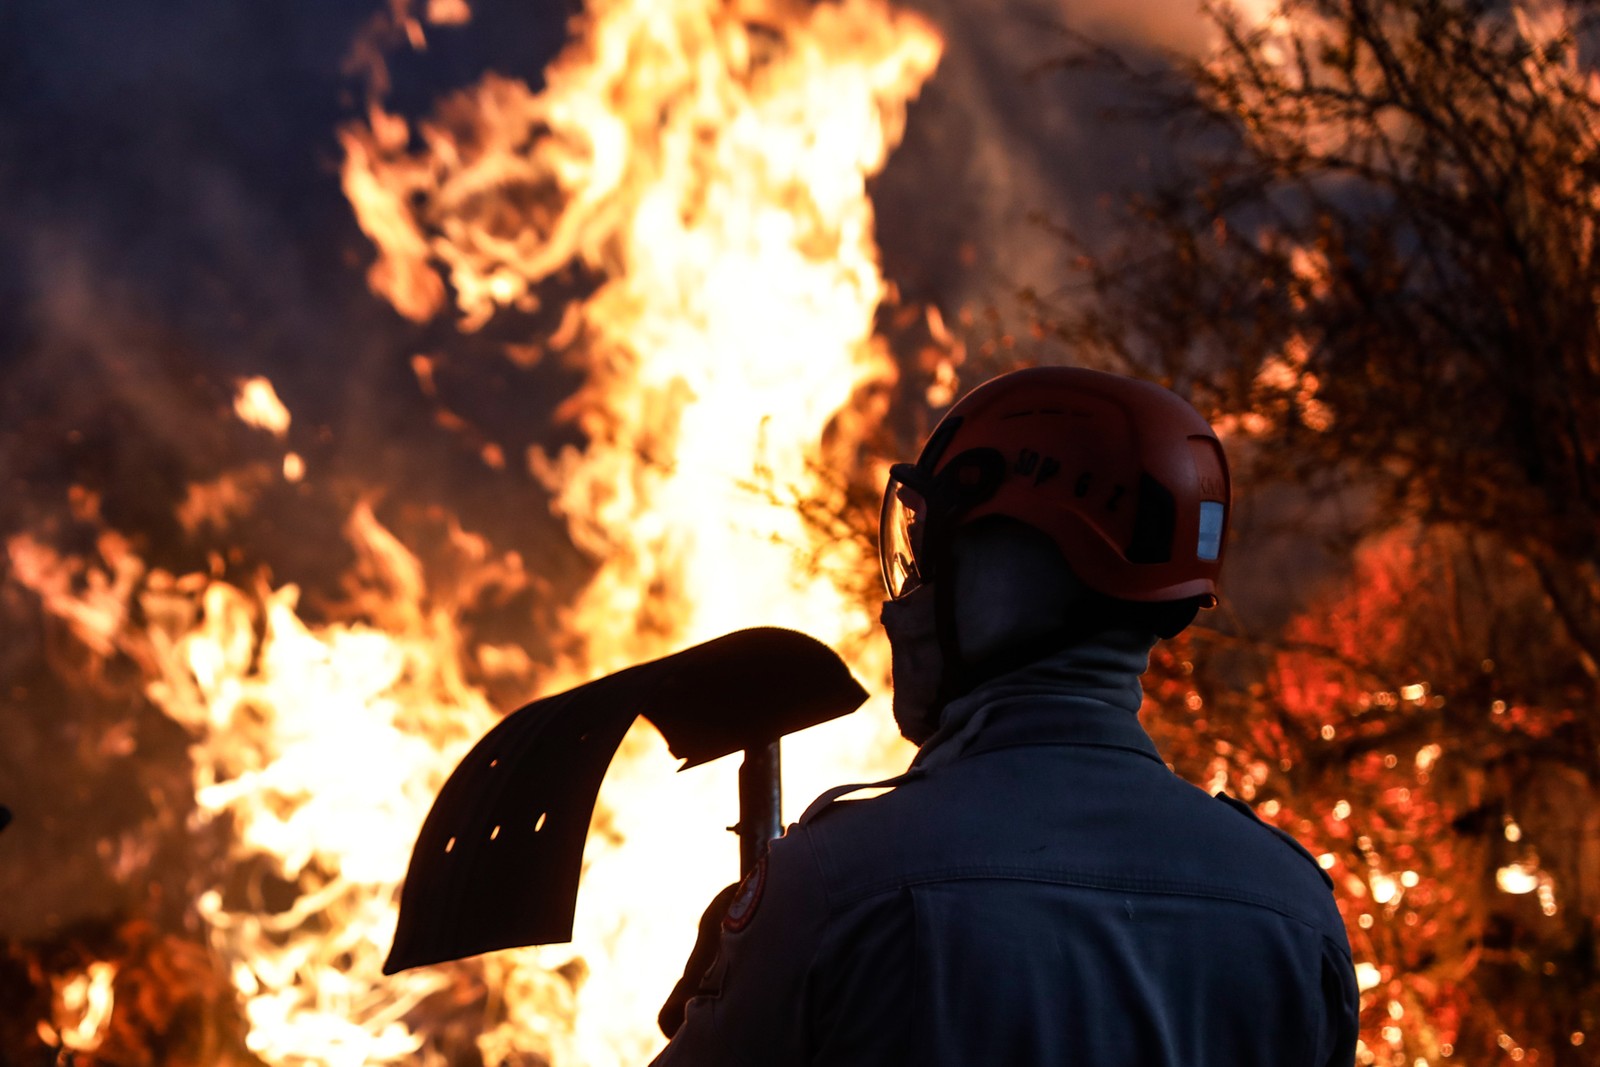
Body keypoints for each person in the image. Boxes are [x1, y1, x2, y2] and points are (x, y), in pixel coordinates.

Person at [649, 366, 1360, 1066]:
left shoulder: (837, 883)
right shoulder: (1295, 912)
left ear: (1016, 567)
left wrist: (737, 985)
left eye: (936, 557)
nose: (909, 600)